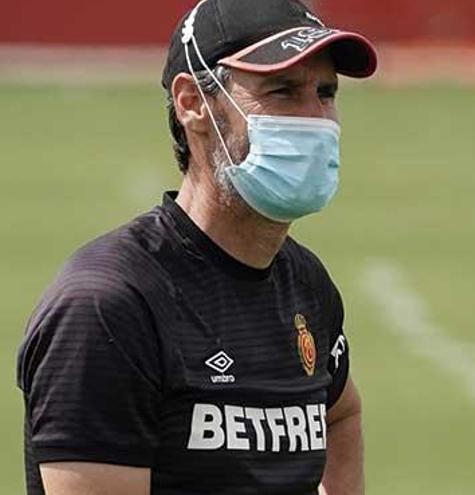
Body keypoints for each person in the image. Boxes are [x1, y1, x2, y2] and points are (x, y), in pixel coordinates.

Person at [16, 0, 377, 493]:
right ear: (192, 103)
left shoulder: (304, 281)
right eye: (282, 91)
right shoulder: (109, 306)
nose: (315, 119)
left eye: (326, 93)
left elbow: (342, 412)